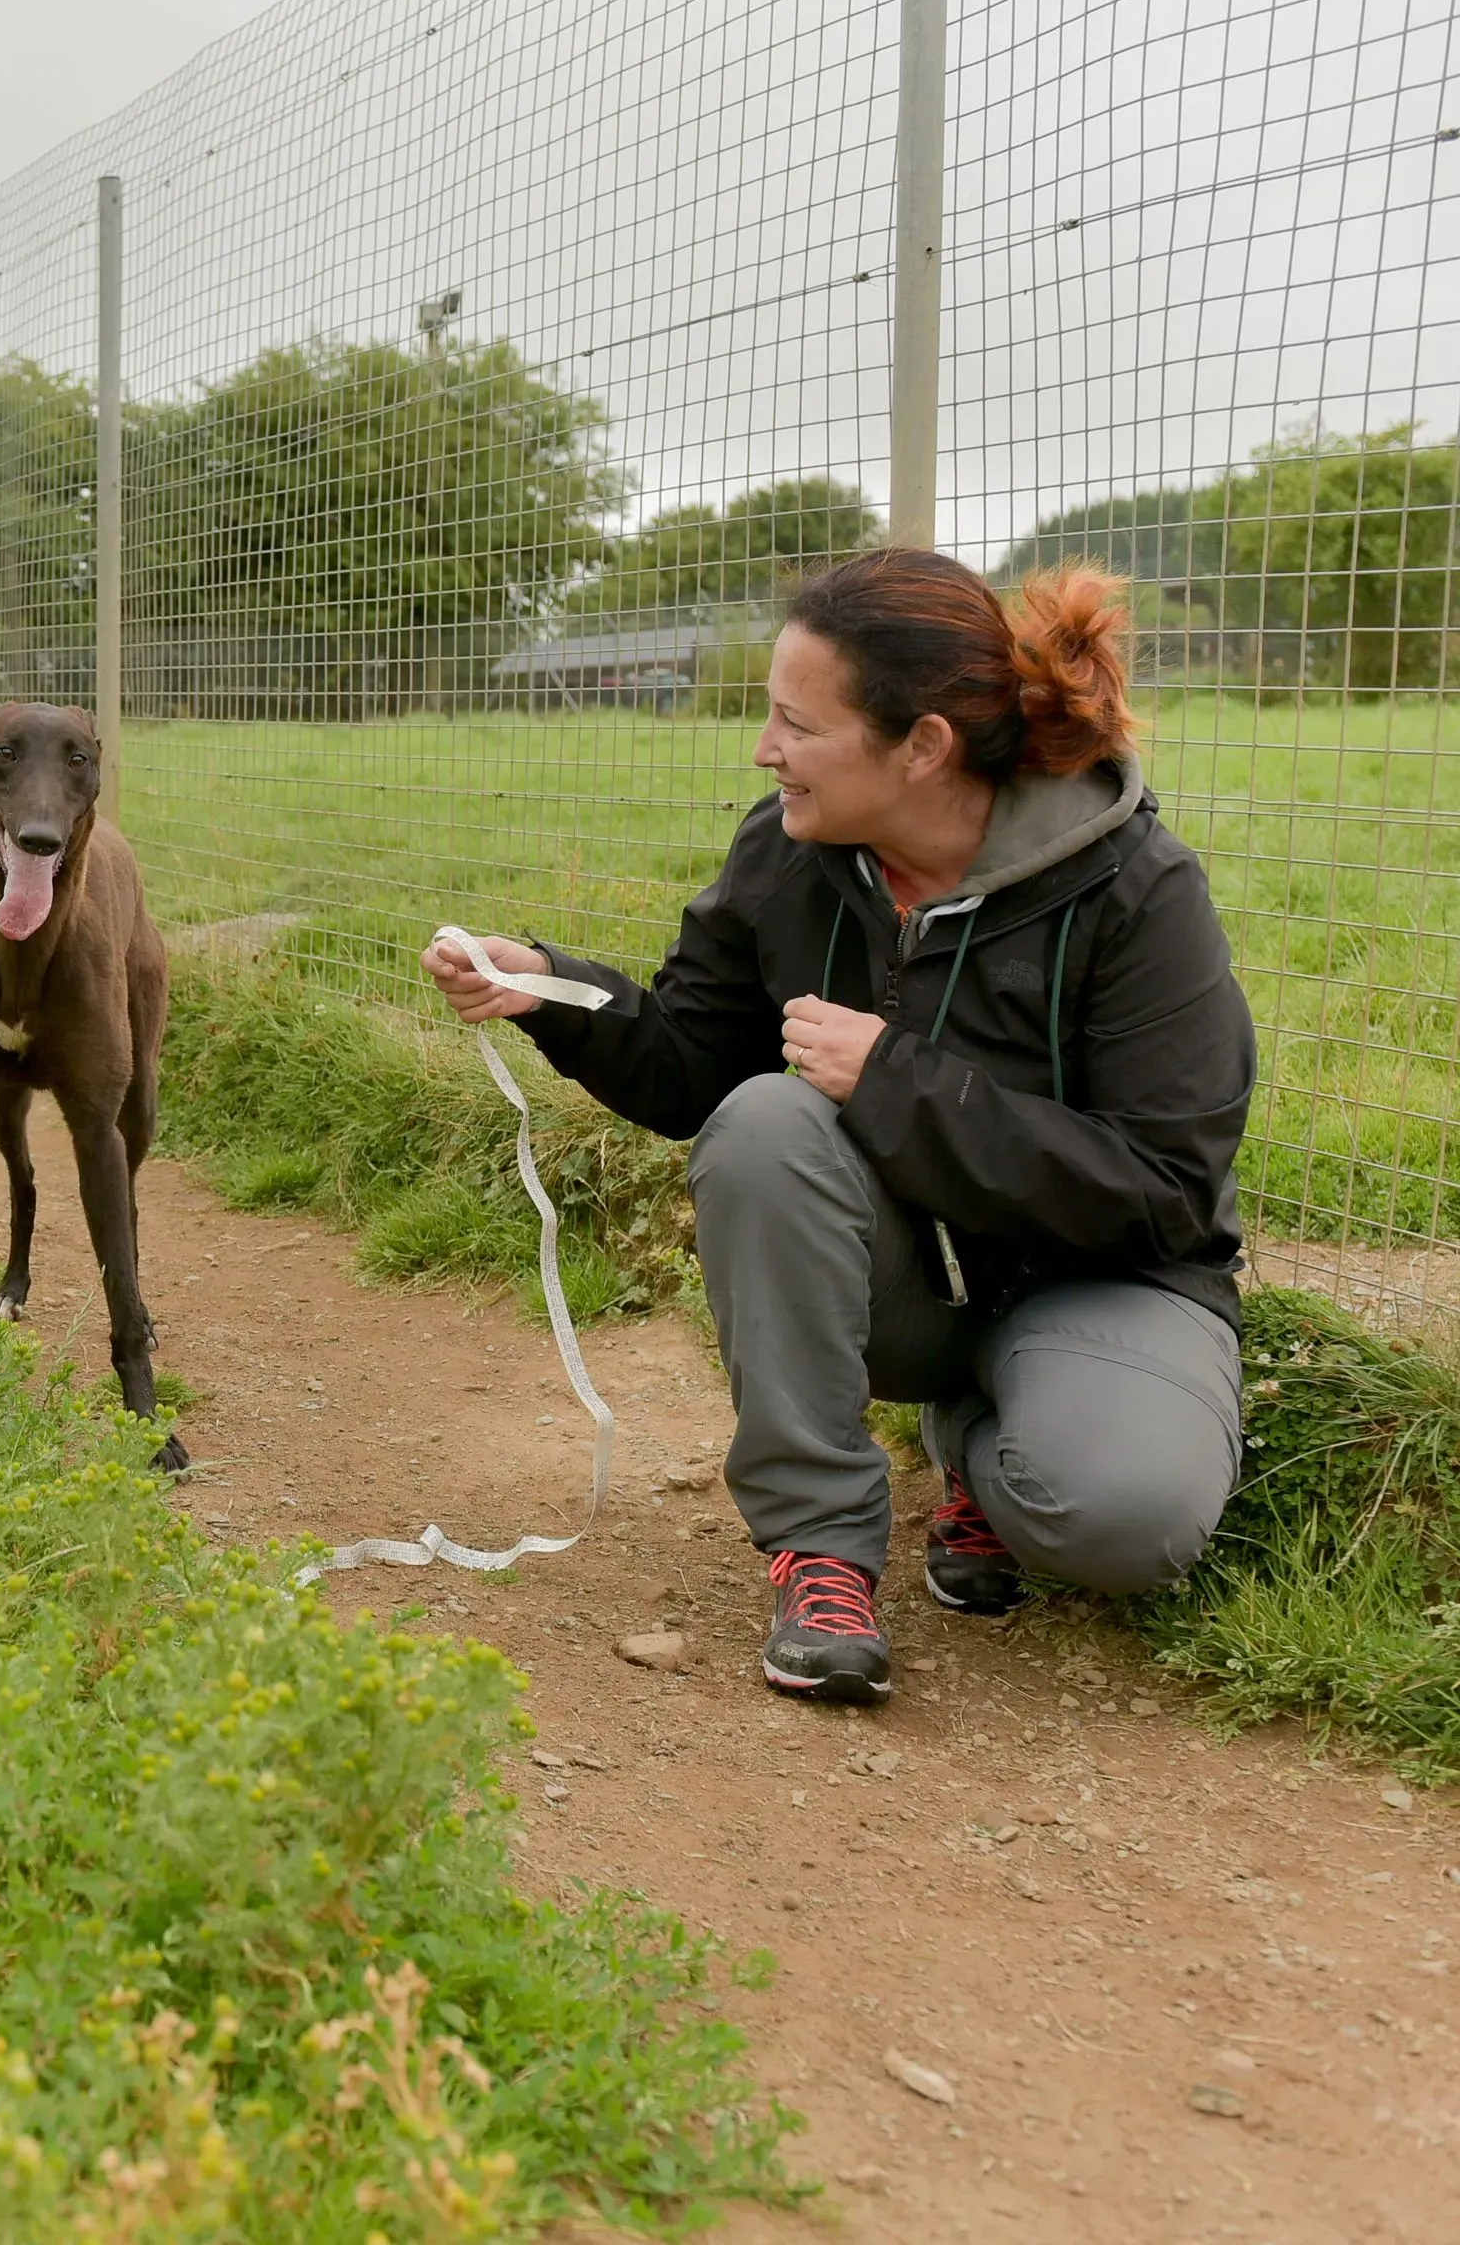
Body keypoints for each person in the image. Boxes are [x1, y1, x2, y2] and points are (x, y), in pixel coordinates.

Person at [424, 549, 1255, 1706]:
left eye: (797, 725)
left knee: (1123, 1521)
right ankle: (819, 1546)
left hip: (1100, 1280)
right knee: (764, 1122)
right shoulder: (786, 852)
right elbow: (690, 1073)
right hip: (904, 1285)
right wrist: (553, 992)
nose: (764, 751)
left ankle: (978, 1444)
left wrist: (894, 1081)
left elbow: (1165, 1188)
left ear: (922, 746)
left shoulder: (1134, 888)